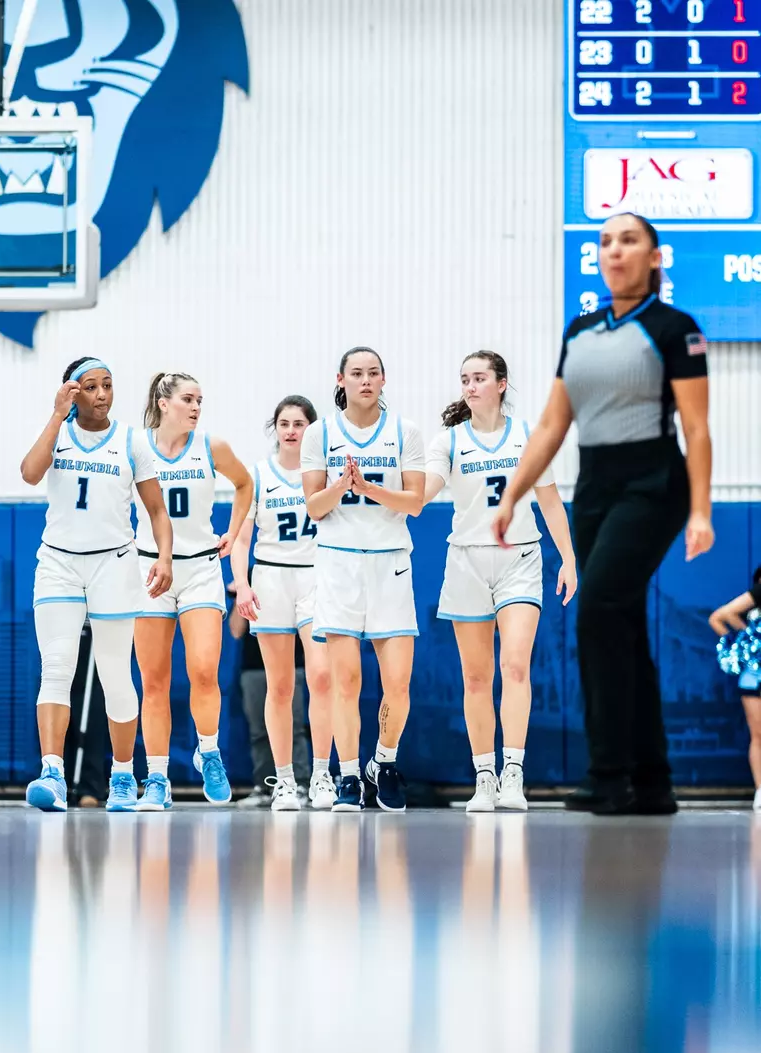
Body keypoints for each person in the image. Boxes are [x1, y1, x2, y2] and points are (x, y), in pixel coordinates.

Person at [492, 212, 714, 815]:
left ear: (654, 257)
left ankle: (608, 772)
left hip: (653, 482)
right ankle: (653, 782)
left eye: (629, 240)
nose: (615, 250)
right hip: (595, 487)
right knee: (623, 625)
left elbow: (695, 426)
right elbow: (550, 425)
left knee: (597, 611)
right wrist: (513, 494)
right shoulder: (581, 330)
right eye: (606, 242)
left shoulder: (675, 328)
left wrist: (700, 509)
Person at [425, 351, 577, 813]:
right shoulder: (448, 441)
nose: (470, 386)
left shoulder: (529, 436)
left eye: (479, 378)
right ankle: (484, 777)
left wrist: (569, 559)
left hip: (520, 558)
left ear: (501, 384)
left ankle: (514, 773)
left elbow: (550, 503)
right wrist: (377, 487)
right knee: (475, 677)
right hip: (467, 560)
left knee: (514, 666)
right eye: (465, 379)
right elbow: (422, 495)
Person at [20, 356, 173, 813]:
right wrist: (54, 414)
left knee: (114, 673)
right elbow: (29, 473)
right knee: (57, 667)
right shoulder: (58, 434)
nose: (102, 393)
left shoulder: (131, 441)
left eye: (107, 384)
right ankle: (52, 774)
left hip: (113, 564)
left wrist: (164, 556)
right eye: (90, 386)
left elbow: (157, 511)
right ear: (71, 391)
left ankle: (122, 776)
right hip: (58, 565)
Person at [301, 347, 425, 812]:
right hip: (339, 562)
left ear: (384, 380)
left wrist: (369, 488)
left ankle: (384, 762)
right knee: (345, 680)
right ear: (341, 379)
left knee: (397, 683)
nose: (366, 380)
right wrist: (341, 485)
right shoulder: (320, 433)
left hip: (391, 561)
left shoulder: (405, 432)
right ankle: (349, 775)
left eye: (373, 373)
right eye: (357, 373)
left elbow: (415, 503)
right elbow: (314, 507)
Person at [132, 372, 253, 810]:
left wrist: (234, 532)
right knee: (155, 681)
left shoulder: (211, 446)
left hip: (201, 568)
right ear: (164, 403)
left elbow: (245, 484)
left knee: (204, 669)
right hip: (150, 571)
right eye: (188, 399)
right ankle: (158, 778)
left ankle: (209, 751)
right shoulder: (136, 447)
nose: (196, 407)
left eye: (200, 399)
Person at [231, 395, 335, 810]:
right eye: (284, 422)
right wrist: (242, 584)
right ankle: (285, 781)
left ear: (312, 428)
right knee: (279, 686)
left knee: (322, 677)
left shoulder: (324, 475)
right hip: (270, 576)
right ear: (274, 428)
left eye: (299, 423)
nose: (291, 430)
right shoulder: (257, 475)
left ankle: (323, 776)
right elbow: (240, 537)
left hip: (315, 575)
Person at [226, 579, 312, 806]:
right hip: (254, 667)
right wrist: (240, 596)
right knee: (259, 731)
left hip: (292, 664)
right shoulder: (251, 575)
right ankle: (265, 786)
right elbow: (235, 630)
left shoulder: (298, 570)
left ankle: (301, 784)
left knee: (294, 727)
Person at [708, 566, 761, 812]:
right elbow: (719, 616)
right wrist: (746, 643)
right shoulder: (756, 596)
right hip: (754, 676)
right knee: (758, 735)